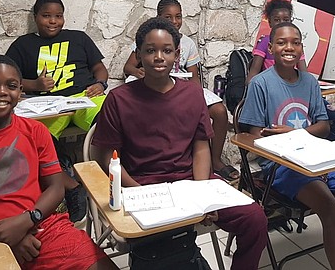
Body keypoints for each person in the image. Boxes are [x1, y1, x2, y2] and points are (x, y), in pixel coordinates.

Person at [91, 18, 267, 270]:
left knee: (254, 219)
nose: (159, 57)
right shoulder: (119, 99)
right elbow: (107, 158)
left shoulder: (193, 94)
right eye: (150, 50)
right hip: (144, 186)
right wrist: (140, 191)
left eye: (167, 50)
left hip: (190, 182)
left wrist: (202, 193)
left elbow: (201, 147)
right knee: (161, 248)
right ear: (139, 54)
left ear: (177, 54)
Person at [0, 55, 115, 270]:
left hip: (41, 227)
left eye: (11, 86)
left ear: (19, 93)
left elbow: (56, 188)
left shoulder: (36, 131)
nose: (1, 91)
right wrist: (6, 236)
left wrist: (27, 220)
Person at [240, 21, 335, 268]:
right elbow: (254, 136)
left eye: (295, 42)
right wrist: (286, 141)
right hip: (283, 165)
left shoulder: (310, 83)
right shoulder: (260, 84)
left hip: (317, 156)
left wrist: (296, 133)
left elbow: (323, 126)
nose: (288, 47)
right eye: (281, 42)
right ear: (270, 48)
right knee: (332, 210)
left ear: (302, 48)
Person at [6, 0, 109, 222]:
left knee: (112, 117)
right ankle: (71, 185)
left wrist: (99, 84)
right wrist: (34, 84)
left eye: (58, 16)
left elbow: (100, 69)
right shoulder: (23, 45)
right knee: (30, 135)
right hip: (48, 104)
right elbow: (9, 79)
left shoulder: (79, 39)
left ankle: (108, 178)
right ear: (36, 18)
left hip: (84, 98)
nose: (53, 21)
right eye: (46, 16)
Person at [122, 0, 237, 181]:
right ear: (158, 18)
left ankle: (215, 160)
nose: (174, 22)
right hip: (154, 85)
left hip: (182, 86)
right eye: (168, 17)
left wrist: (195, 98)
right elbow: (128, 67)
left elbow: (194, 77)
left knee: (219, 110)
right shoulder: (148, 38)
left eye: (178, 16)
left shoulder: (188, 44)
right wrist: (141, 72)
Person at [246, 0, 307, 84]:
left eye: (286, 20)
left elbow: (304, 75)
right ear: (270, 22)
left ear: (291, 21)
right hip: (269, 87)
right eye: (277, 20)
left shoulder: (295, 44)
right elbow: (252, 77)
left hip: (290, 88)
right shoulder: (264, 42)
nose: (282, 23)